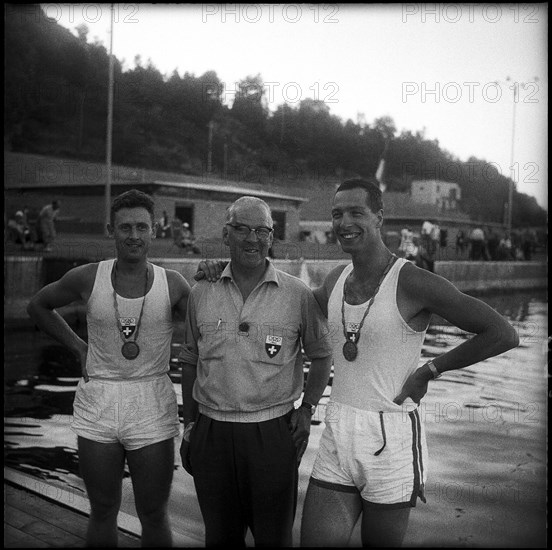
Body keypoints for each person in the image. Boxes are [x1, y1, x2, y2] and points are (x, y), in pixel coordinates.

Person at [296, 178, 519, 547]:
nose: (344, 222)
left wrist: (431, 370)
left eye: (356, 212)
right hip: (338, 430)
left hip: (391, 435)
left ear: (379, 217)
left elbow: (502, 333)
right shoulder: (336, 278)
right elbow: (301, 301)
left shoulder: (412, 281)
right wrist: (220, 278)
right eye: (337, 214)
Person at [27, 189, 191, 547]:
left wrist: (211, 273)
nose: (134, 236)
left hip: (151, 400)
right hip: (98, 397)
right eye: (125, 227)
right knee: (102, 509)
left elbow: (209, 328)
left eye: (142, 227)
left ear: (154, 231)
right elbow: (39, 305)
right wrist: (76, 345)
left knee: (153, 513)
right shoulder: (87, 277)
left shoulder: (174, 284)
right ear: (111, 230)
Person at [178, 196, 333, 547]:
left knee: (274, 539)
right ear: (226, 234)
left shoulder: (298, 295)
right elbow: (189, 361)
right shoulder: (202, 291)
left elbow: (322, 357)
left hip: (272, 434)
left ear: (272, 236)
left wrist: (307, 409)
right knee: (219, 538)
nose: (252, 238)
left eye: (261, 230)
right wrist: (189, 426)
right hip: (211, 433)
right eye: (242, 229)